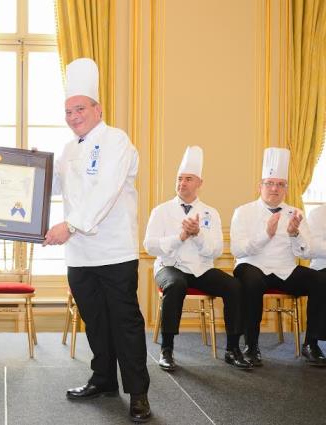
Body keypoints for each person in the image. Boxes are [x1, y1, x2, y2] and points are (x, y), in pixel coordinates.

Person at [43, 58, 151, 423]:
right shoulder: (68, 148)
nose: (74, 116)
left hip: (114, 252)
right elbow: (51, 187)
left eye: (80, 108)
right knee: (95, 323)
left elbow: (105, 191)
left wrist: (68, 226)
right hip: (79, 255)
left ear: (97, 109)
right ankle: (103, 379)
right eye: (68, 110)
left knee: (125, 323)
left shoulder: (117, 140)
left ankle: (138, 393)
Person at [144, 146, 252, 371]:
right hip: (169, 266)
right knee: (176, 284)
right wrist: (180, 237)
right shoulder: (161, 211)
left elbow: (216, 251)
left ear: (199, 183)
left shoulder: (210, 213)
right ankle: (167, 349)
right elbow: (150, 245)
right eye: (179, 179)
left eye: (188, 179)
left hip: (201, 268)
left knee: (234, 286)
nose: (182, 183)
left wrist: (197, 235)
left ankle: (233, 348)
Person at [231, 147, 326, 367]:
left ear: (286, 188)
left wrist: (295, 234)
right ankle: (251, 345)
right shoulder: (243, 212)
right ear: (260, 186)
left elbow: (307, 252)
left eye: (280, 184)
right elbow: (238, 250)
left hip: (284, 268)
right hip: (252, 265)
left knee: (321, 280)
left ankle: (311, 343)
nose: (274, 189)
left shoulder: (294, 213)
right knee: (252, 282)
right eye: (270, 183)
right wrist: (266, 235)